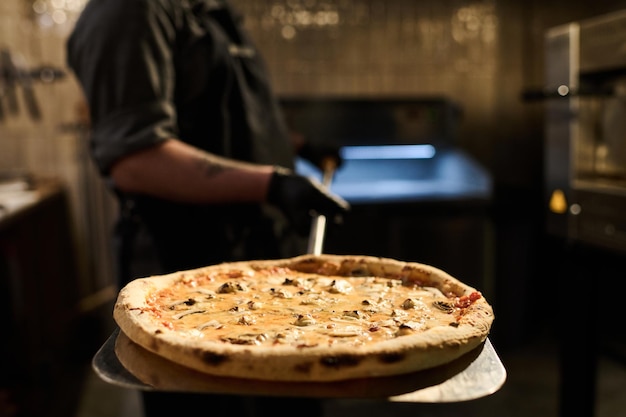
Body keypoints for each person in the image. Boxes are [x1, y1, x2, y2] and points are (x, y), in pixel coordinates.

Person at [66, 0, 349, 416]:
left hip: (260, 263)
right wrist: (272, 184)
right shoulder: (128, 11)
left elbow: (224, 122)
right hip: (186, 279)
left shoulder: (207, 10)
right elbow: (136, 160)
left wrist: (298, 146)